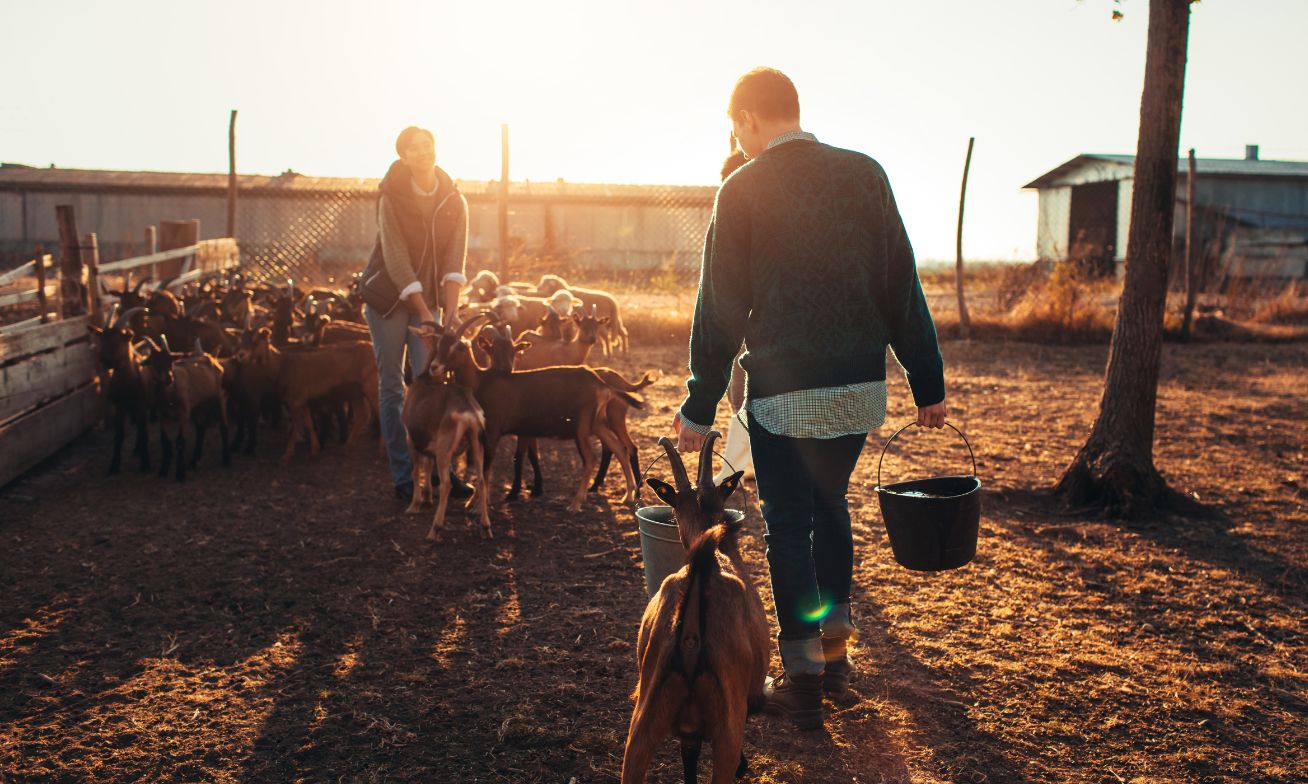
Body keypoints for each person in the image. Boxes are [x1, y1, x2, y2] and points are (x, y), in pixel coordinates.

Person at [673, 68, 948, 730]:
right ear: (794, 110)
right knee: (831, 510)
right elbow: (900, 284)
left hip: (785, 393)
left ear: (745, 119)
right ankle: (837, 660)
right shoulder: (865, 174)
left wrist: (699, 400)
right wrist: (927, 378)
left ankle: (805, 681)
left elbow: (719, 309)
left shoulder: (741, 189)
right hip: (858, 390)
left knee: (790, 525)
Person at [359, 126, 470, 500]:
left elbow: (455, 259)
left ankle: (443, 471)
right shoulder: (391, 195)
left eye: (428, 146)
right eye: (414, 149)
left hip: (429, 304)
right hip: (389, 299)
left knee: (432, 383)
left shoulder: (454, 199)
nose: (424, 153)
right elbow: (395, 257)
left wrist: (449, 313)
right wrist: (425, 311)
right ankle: (403, 475)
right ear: (403, 156)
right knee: (392, 385)